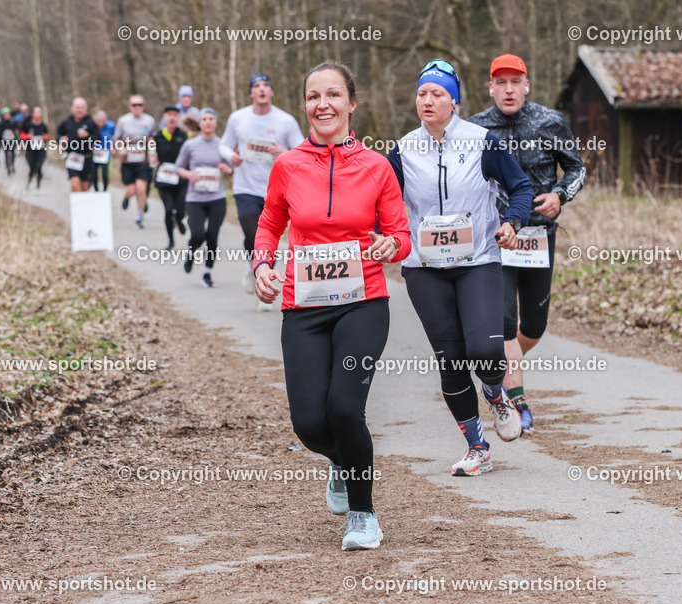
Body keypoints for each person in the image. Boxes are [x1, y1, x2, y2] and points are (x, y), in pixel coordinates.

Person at [254, 61, 411, 550]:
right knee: (308, 425)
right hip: (304, 308)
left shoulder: (377, 166)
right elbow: (269, 224)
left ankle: (363, 517)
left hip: (363, 303)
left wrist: (392, 246)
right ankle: (343, 461)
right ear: (305, 105)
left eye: (333, 95)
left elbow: (400, 233)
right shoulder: (288, 165)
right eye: (313, 96)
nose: (322, 104)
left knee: (344, 408)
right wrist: (262, 266)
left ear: (351, 103)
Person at [387, 59, 533, 476]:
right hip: (423, 267)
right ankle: (477, 448)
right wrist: (383, 234)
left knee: (485, 350)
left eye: (437, 93)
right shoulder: (403, 149)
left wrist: (512, 222)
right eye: (422, 93)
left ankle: (495, 393)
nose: (427, 100)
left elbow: (520, 186)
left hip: (478, 262)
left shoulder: (482, 141)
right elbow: (380, 200)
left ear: (454, 101)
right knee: (450, 360)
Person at [469, 54, 586, 433]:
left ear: (526, 86)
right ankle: (516, 401)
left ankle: (499, 371)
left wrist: (559, 195)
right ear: (490, 88)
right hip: (497, 239)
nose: (508, 90)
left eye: (515, 82)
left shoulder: (551, 122)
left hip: (539, 236)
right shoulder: (476, 129)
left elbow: (577, 168)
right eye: (500, 83)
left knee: (534, 326)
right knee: (505, 322)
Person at [220, 73, 305, 306]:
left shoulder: (286, 121)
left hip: (276, 190)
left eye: (266, 85)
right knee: (252, 235)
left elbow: (302, 152)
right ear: (251, 93)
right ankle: (253, 269)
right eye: (256, 86)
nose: (261, 89)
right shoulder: (238, 118)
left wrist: (284, 154)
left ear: (271, 92)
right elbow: (224, 145)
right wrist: (231, 157)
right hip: (245, 188)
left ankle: (265, 286)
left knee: (270, 238)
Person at [175, 108, 231, 287]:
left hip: (217, 198)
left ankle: (207, 273)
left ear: (216, 123)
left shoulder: (222, 145)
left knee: (213, 235)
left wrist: (227, 169)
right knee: (198, 235)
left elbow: (232, 167)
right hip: (195, 199)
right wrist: (189, 174)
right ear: (199, 123)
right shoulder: (190, 145)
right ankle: (191, 253)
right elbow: (178, 167)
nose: (207, 122)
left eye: (211, 119)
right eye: (204, 119)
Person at [151, 106, 189, 251]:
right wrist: (152, 157)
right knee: (168, 210)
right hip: (163, 180)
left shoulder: (184, 136)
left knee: (180, 211)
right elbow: (151, 153)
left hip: (180, 180)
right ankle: (171, 241)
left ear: (178, 118)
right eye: (169, 115)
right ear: (165, 118)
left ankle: (179, 219)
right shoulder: (158, 136)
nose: (172, 118)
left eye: (175, 115)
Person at [114, 95, 156, 226]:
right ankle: (127, 196)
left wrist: (153, 152)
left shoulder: (149, 120)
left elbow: (152, 139)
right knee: (132, 189)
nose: (137, 107)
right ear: (130, 106)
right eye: (134, 105)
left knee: (141, 189)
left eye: (140, 105)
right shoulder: (123, 121)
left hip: (143, 161)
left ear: (143, 106)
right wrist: (120, 149)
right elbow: (116, 139)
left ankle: (139, 216)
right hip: (128, 161)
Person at [56, 97, 101, 192]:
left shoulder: (91, 122)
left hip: (87, 158)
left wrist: (87, 135)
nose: (79, 110)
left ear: (86, 109)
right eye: (77, 107)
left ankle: (80, 201)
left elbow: (98, 139)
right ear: (72, 108)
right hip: (72, 157)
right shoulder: (67, 122)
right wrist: (61, 139)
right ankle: (75, 200)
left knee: (84, 187)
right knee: (74, 184)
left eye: (82, 107)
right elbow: (58, 135)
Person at [19, 106, 49, 191]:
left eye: (39, 112)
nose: (38, 114)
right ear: (32, 114)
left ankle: (38, 187)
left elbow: (47, 136)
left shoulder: (43, 125)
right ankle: (29, 181)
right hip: (30, 151)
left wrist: (45, 137)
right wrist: (28, 136)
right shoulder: (28, 125)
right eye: (36, 112)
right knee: (32, 168)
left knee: (39, 167)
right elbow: (22, 136)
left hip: (41, 150)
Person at [91, 110, 115, 192]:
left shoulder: (111, 126)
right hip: (94, 152)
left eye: (102, 120)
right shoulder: (92, 126)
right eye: (98, 120)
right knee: (94, 173)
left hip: (105, 153)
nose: (100, 122)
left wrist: (113, 147)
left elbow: (114, 137)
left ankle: (105, 189)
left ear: (106, 120)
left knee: (105, 173)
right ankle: (96, 190)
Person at [0, 107, 19, 176]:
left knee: (12, 154)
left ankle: (12, 165)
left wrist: (17, 140)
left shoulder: (13, 122)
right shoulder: (1, 123)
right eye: (5, 115)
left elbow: (16, 131)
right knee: (6, 155)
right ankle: (8, 169)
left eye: (8, 114)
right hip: (5, 141)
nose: (6, 116)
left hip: (12, 141)